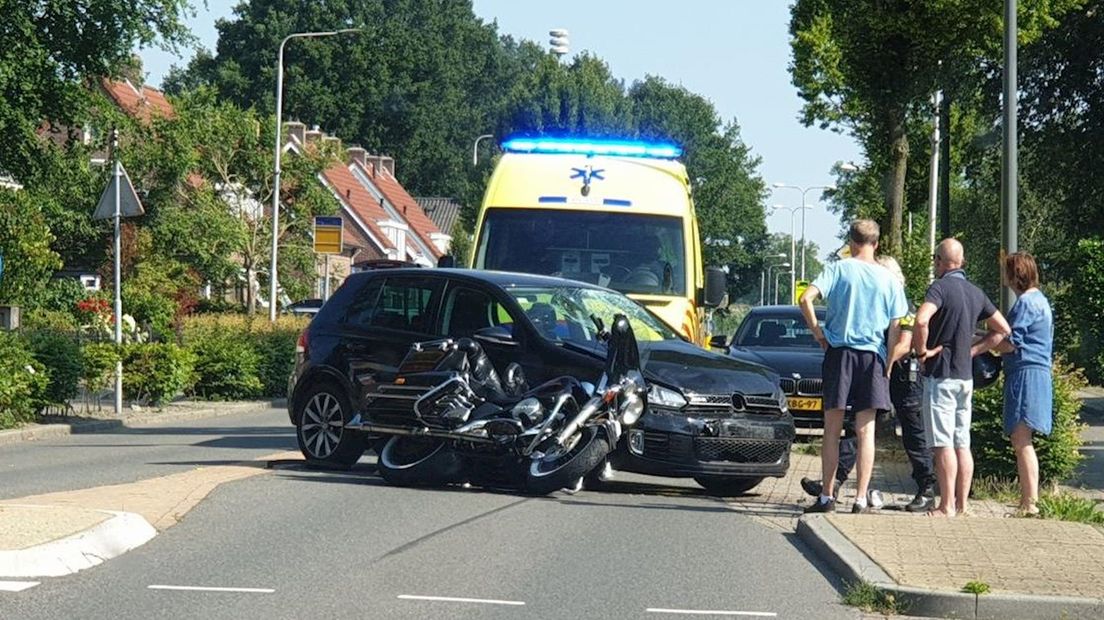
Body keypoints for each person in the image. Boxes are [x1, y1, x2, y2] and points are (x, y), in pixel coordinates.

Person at [799, 255, 934, 511]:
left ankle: (925, 485)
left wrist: (889, 363)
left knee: (910, 432)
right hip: (876, 364)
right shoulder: (881, 292)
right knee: (858, 430)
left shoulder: (901, 300)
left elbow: (904, 340)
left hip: (900, 374)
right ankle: (839, 484)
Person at [913, 239, 1010, 517]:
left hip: (940, 375)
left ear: (940, 261)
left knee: (942, 443)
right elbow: (1002, 329)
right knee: (962, 442)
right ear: (962, 262)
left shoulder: (939, 288)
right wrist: (973, 350)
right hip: (965, 378)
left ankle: (946, 506)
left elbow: (921, 320)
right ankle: (963, 505)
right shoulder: (976, 292)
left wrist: (922, 352)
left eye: (935, 260)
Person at [994, 252, 1053, 517]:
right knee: (1023, 438)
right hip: (1037, 372)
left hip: (1025, 373)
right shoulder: (1041, 301)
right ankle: (1028, 500)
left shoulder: (1025, 304)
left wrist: (981, 343)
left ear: (1015, 275)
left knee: (1021, 439)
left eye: (1006, 271)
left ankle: (1030, 502)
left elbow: (1010, 342)